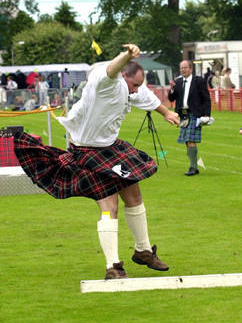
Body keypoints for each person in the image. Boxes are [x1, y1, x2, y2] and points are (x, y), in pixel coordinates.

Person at [14, 44, 179, 280]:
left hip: (110, 147)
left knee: (134, 196)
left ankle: (143, 251)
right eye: (134, 84)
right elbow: (112, 69)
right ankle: (113, 266)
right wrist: (127, 55)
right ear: (124, 76)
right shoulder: (105, 82)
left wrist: (166, 113)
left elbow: (145, 96)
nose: (136, 91)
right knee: (109, 205)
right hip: (87, 151)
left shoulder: (131, 88)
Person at [168, 60, 211, 176]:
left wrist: (207, 115)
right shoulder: (178, 82)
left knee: (191, 140)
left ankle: (192, 167)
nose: (182, 70)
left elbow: (206, 99)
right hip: (183, 115)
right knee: (187, 141)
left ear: (191, 69)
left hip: (194, 114)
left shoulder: (199, 81)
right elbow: (172, 99)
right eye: (181, 68)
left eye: (185, 68)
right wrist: (171, 89)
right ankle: (195, 166)